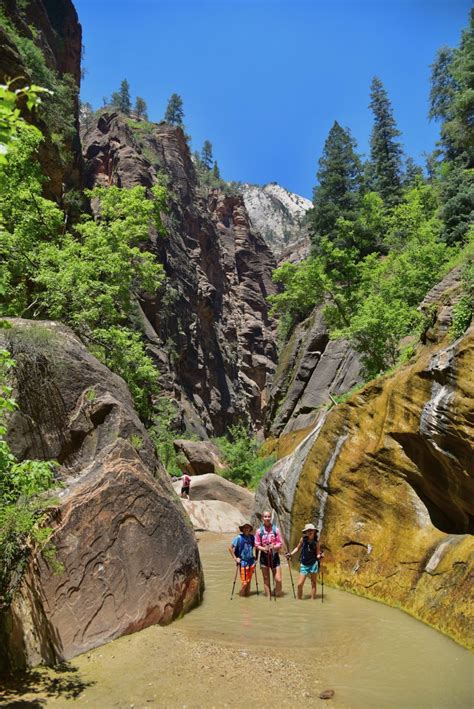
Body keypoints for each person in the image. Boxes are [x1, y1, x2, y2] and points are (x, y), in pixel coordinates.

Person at [286, 523, 323, 599]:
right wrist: (290, 554)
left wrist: (320, 556)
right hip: (304, 564)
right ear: (305, 532)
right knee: (299, 585)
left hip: (313, 564)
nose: (310, 532)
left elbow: (318, 554)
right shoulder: (303, 539)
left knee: (313, 583)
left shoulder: (316, 542)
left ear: (314, 531)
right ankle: (299, 600)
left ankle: (312, 600)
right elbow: (297, 548)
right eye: (308, 530)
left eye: (311, 530)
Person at [255, 510, 283, 597]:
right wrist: (264, 548)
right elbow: (256, 545)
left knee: (278, 579)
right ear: (262, 518)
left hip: (274, 557)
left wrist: (273, 546)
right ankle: (268, 598)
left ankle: (277, 596)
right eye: (265, 517)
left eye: (269, 516)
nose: (267, 518)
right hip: (264, 557)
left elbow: (280, 543)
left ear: (271, 518)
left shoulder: (276, 530)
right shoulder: (259, 531)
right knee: (266, 579)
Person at [229, 522, 257, 597]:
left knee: (249, 581)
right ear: (243, 529)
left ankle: (247, 597)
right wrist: (235, 558)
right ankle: (241, 597)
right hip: (243, 562)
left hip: (251, 561)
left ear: (250, 529)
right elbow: (230, 548)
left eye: (248, 527)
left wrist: (256, 558)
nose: (246, 529)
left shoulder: (252, 537)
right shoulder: (238, 538)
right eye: (245, 527)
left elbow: (256, 547)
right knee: (244, 583)